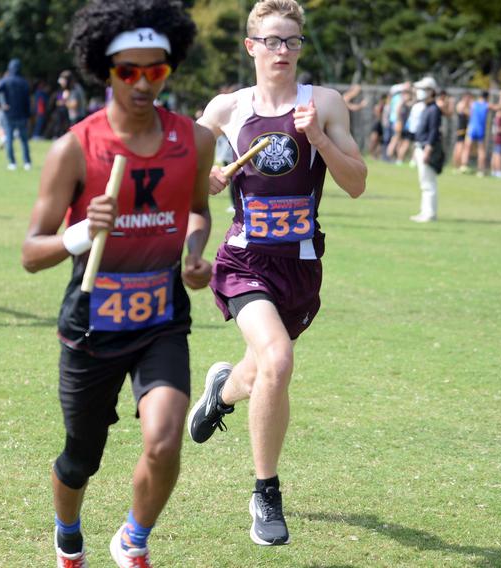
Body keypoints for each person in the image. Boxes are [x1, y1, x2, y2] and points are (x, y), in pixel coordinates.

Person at [21, 1, 213, 566]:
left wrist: (194, 253)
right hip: (91, 325)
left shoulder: (194, 141)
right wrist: (81, 233)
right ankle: (68, 531)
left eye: (156, 70)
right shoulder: (75, 148)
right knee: (80, 460)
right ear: (105, 70)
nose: (143, 82)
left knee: (164, 440)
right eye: (129, 70)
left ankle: (133, 539)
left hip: (161, 317)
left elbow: (198, 210)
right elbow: (31, 253)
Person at [189, 0, 366, 547]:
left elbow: (356, 182)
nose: (283, 51)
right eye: (272, 41)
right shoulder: (226, 109)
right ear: (251, 47)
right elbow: (182, 175)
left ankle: (221, 392)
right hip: (245, 259)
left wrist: (318, 139)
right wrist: (207, 180)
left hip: (301, 265)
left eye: (292, 41)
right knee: (280, 359)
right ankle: (265, 492)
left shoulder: (327, 104)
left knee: (262, 370)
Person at [410, 78, 442, 222]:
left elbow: (434, 132)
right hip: (420, 146)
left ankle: (430, 213)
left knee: (428, 183)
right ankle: (425, 211)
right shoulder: (426, 108)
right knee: (424, 182)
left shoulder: (434, 109)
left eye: (424, 89)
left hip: (426, 148)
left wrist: (428, 150)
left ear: (431, 91)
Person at [0, 59, 32, 170]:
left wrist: (1, 104)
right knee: (24, 140)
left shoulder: (5, 81)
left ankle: (12, 163)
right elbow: (27, 101)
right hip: (22, 115)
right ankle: (27, 162)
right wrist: (28, 115)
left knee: (9, 139)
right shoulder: (24, 82)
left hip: (8, 114)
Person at [452, 91, 471, 171]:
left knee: (460, 146)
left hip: (463, 128)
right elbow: (467, 113)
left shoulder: (465, 105)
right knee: (460, 146)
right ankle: (457, 164)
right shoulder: (461, 105)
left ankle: (457, 165)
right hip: (461, 128)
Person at [490, 107, 501, 178]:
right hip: (499, 139)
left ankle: (493, 171)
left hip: (495, 139)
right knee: (498, 155)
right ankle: (498, 171)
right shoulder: (499, 119)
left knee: (495, 155)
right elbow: (499, 129)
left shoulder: (495, 118)